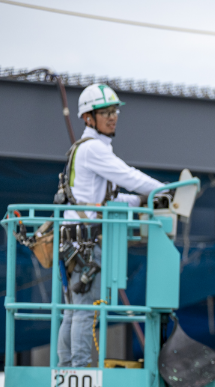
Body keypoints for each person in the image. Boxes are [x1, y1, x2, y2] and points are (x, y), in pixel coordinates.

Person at [55, 84, 165, 367]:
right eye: (105, 112)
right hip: (86, 244)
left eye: (114, 111)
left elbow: (111, 198)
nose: (113, 116)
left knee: (72, 311)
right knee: (82, 312)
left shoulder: (87, 150)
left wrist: (140, 201)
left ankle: (67, 368)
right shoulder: (93, 149)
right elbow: (129, 176)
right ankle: (77, 371)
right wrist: (167, 190)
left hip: (75, 242)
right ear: (88, 118)